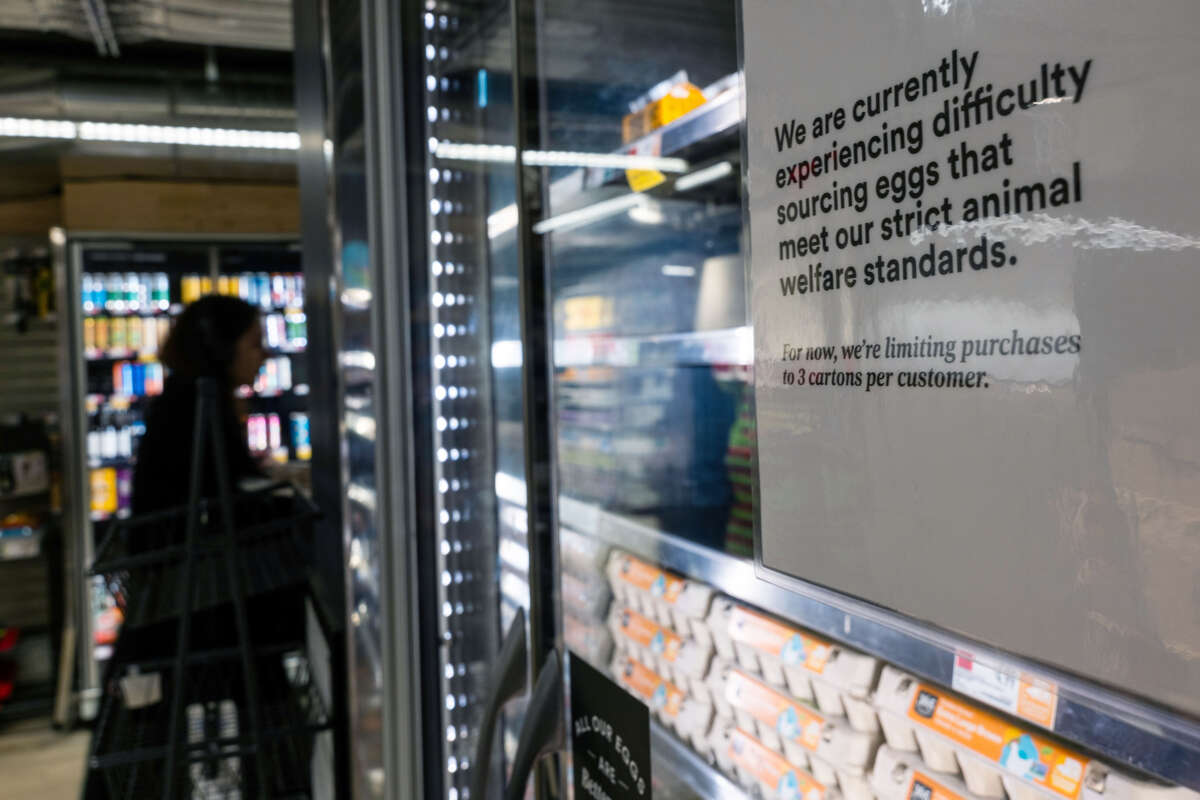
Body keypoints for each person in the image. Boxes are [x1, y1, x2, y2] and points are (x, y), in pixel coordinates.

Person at [132, 295, 267, 515]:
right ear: (224, 348)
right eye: (255, 344)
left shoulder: (184, 394)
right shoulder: (204, 404)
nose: (265, 355)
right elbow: (235, 485)